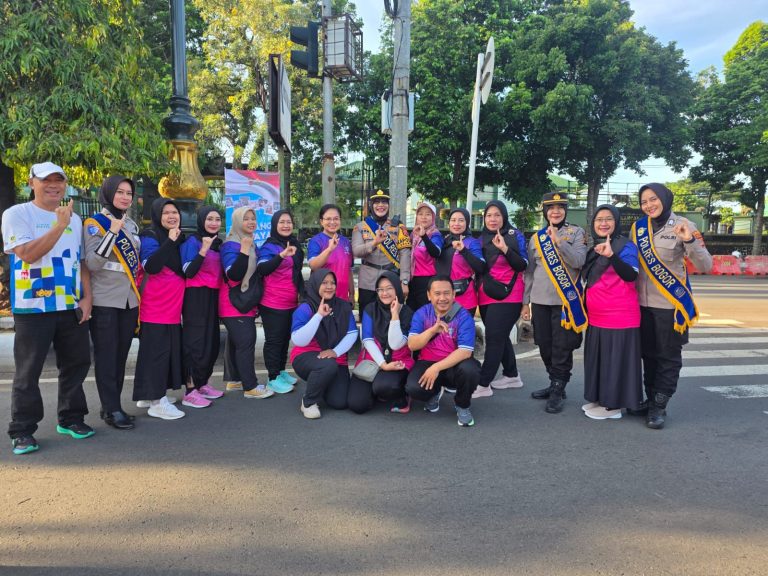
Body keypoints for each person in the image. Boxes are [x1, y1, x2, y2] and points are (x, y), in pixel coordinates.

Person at [2, 162, 94, 454]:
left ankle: (71, 418)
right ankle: (22, 430)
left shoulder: (74, 219)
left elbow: (79, 261)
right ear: (32, 183)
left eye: (59, 180)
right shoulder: (17, 214)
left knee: (76, 363)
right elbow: (28, 254)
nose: (54, 185)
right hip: (32, 306)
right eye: (46, 180)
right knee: (28, 371)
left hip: (68, 304)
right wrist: (59, 225)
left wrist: (86, 297)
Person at [631, 183, 713, 429]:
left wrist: (688, 240)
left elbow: (705, 265)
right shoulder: (638, 228)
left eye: (653, 199)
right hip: (641, 304)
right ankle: (650, 399)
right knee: (647, 355)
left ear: (665, 199)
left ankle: (659, 405)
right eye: (644, 202)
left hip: (670, 305)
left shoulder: (685, 225)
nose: (649, 205)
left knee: (667, 357)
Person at [83, 175, 141, 430]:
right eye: (120, 192)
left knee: (119, 357)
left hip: (129, 301)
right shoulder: (95, 223)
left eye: (129, 193)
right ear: (108, 194)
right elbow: (93, 264)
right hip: (105, 299)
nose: (125, 197)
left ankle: (112, 406)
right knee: (106, 358)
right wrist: (112, 233)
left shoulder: (131, 225)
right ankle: (112, 408)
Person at [521, 192, 587, 413]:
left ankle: (558, 389)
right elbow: (529, 272)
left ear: (565, 210)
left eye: (560, 207)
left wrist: (559, 242)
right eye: (551, 207)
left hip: (565, 302)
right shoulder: (536, 238)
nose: (555, 211)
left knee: (562, 347)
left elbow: (579, 261)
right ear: (545, 211)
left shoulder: (577, 233)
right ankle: (554, 382)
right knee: (544, 344)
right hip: (540, 301)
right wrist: (525, 302)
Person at [581, 205, 642, 420]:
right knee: (599, 360)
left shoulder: (626, 246)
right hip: (597, 316)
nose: (603, 223)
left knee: (615, 361)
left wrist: (612, 256)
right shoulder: (594, 247)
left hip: (619, 315)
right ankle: (599, 398)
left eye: (608, 219)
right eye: (599, 219)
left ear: (617, 222)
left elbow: (630, 276)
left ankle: (614, 406)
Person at [133, 198, 186, 420]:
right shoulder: (151, 236)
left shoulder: (176, 238)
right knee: (156, 353)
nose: (172, 216)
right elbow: (151, 266)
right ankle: (157, 401)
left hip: (171, 308)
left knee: (160, 352)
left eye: (175, 212)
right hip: (155, 306)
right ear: (157, 215)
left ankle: (149, 394)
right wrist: (170, 242)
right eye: (166, 213)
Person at [406, 275, 481, 427]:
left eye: (447, 293)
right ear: (429, 295)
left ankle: (462, 405)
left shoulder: (464, 316)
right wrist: (432, 330)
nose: (442, 298)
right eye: (437, 293)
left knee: (470, 370)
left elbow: (465, 352)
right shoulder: (421, 313)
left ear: (454, 294)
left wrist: (436, 367)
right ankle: (434, 392)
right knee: (413, 388)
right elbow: (412, 345)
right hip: (426, 361)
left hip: (453, 363)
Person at [473, 200, 528, 399]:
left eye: (497, 215)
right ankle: (512, 375)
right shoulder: (480, 239)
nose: (493, 219)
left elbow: (522, 265)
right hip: (485, 296)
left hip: (509, 295)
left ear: (504, 216)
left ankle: (483, 383)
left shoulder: (515, 236)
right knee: (501, 336)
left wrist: (505, 249)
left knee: (494, 338)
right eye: (489, 215)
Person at [219, 207, 274, 399]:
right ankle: (250, 387)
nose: (251, 222)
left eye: (253, 219)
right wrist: (243, 251)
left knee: (236, 343)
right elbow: (232, 274)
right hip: (233, 304)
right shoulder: (231, 245)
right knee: (246, 342)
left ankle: (234, 380)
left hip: (245, 302)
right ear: (236, 222)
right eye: (246, 219)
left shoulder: (252, 244)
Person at [290, 268, 358, 419]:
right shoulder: (306, 307)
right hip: (307, 355)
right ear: (315, 284)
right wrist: (319, 315)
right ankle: (308, 402)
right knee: (327, 365)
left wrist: (336, 352)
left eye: (332, 283)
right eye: (324, 283)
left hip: (336, 357)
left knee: (339, 402)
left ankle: (320, 384)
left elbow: (352, 333)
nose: (329, 286)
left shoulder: (343, 306)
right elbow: (298, 339)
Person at [348, 271, 415, 414]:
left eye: (389, 288)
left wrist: (395, 314)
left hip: (398, 361)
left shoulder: (407, 313)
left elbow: (395, 344)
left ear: (397, 288)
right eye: (380, 289)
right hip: (373, 361)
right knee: (357, 405)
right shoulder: (370, 309)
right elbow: (367, 340)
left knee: (384, 386)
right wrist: (383, 364)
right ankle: (375, 392)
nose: (385, 293)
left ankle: (402, 395)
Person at [180, 206, 225, 408]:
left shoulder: (218, 244)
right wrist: (203, 249)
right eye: (209, 219)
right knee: (194, 343)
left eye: (217, 219)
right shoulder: (193, 241)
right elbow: (189, 271)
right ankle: (190, 390)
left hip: (213, 295)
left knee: (211, 341)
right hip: (195, 295)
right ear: (201, 221)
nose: (214, 223)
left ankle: (202, 383)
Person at [257, 210, 304, 393]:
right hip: (272, 302)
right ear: (275, 225)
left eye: (289, 222)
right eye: (282, 222)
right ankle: (272, 377)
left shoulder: (295, 244)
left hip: (291, 301)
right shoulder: (269, 247)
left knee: (285, 339)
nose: (286, 225)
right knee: (274, 341)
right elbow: (263, 269)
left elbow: (297, 272)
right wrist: (281, 255)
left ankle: (281, 371)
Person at [352, 189, 412, 313]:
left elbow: (405, 255)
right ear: (371, 205)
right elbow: (356, 251)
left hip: (391, 279)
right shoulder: (361, 227)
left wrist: (404, 281)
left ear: (389, 205)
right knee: (367, 316)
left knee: (392, 317)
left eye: (384, 202)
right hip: (368, 281)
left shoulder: (399, 227)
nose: (380, 205)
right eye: (376, 202)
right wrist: (374, 243)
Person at [435, 207, 485, 315]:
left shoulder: (472, 242)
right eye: (453, 220)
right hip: (443, 296)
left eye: (461, 220)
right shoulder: (445, 241)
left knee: (462, 331)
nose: (456, 223)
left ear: (467, 223)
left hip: (464, 297)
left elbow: (481, 267)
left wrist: (463, 250)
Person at [307, 204, 354, 306]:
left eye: (336, 219)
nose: (332, 222)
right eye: (328, 219)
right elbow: (313, 265)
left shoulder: (346, 242)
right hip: (322, 300)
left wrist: (352, 295)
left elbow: (349, 270)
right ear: (321, 221)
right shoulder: (316, 241)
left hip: (343, 299)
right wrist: (329, 249)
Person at [406, 201, 443, 311]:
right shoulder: (414, 234)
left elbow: (436, 252)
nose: (424, 217)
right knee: (411, 315)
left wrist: (425, 237)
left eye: (428, 214)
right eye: (420, 214)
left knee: (425, 315)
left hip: (428, 281)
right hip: (412, 281)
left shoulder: (435, 234)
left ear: (433, 217)